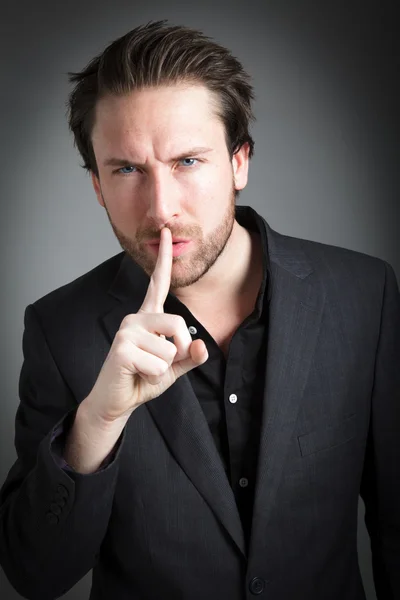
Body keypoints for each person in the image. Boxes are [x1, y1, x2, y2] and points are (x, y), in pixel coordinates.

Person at [0, 19, 399, 600]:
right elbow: (34, 576)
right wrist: (97, 425)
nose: (162, 209)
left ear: (239, 162)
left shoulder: (365, 296)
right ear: (96, 186)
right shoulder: (59, 330)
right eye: (128, 170)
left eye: (188, 161)